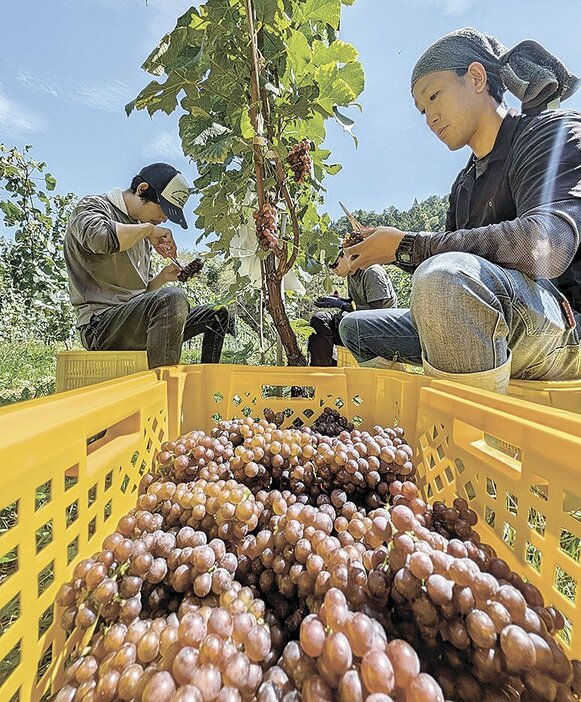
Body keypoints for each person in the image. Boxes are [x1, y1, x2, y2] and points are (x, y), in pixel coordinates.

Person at [340, 28, 581, 392]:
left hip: (564, 327)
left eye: (434, 96)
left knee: (444, 279)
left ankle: (467, 436)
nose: (429, 118)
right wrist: (386, 250)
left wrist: (407, 244)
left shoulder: (548, 132)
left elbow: (546, 247)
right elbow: (447, 258)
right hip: (493, 314)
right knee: (355, 328)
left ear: (476, 77)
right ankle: (401, 423)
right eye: (422, 111)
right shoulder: (464, 185)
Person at [64, 162, 230, 368]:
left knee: (218, 313)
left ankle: (207, 385)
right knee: (172, 298)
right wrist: (147, 230)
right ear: (142, 190)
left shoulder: (141, 231)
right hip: (100, 326)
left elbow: (140, 296)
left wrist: (162, 278)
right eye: (163, 209)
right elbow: (100, 239)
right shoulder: (93, 207)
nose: (164, 218)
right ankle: (165, 390)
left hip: (132, 321)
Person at [308, 251, 397, 366]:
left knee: (337, 322)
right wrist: (337, 301)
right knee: (320, 320)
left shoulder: (372, 272)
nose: (333, 270)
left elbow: (377, 315)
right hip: (360, 325)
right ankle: (325, 373)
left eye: (335, 265)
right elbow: (355, 306)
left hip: (380, 332)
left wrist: (342, 305)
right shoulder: (351, 276)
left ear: (346, 256)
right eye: (330, 267)